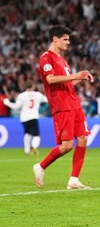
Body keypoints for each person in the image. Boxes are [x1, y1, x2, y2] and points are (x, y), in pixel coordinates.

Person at [33, 25, 94, 190]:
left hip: (74, 103)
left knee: (83, 138)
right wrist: (75, 75)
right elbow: (51, 79)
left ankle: (74, 179)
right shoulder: (46, 58)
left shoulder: (62, 59)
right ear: (55, 38)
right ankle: (40, 166)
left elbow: (68, 83)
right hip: (62, 104)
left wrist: (81, 77)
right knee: (67, 145)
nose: (68, 42)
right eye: (65, 39)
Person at [3, 83, 47, 155]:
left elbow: (16, 107)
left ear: (25, 86)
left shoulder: (22, 96)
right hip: (33, 117)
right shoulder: (38, 95)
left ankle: (26, 150)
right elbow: (46, 100)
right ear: (33, 86)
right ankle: (34, 146)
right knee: (36, 135)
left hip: (24, 118)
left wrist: (7, 102)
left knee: (27, 133)